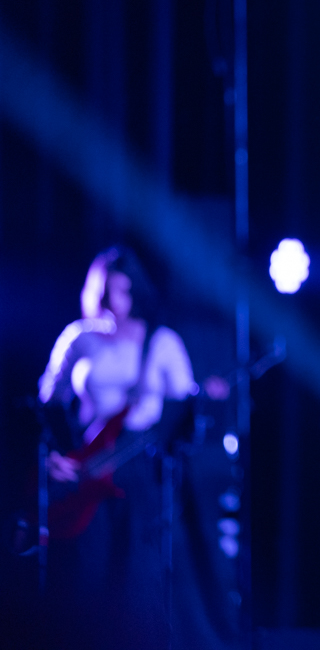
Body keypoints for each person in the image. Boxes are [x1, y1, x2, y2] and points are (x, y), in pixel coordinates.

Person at [37, 246, 200, 649]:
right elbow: (47, 400)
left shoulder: (161, 342)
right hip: (86, 465)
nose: (114, 303)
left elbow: (184, 406)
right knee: (85, 572)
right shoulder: (80, 337)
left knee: (134, 575)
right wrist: (59, 455)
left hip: (138, 467)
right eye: (106, 293)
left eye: (122, 292)